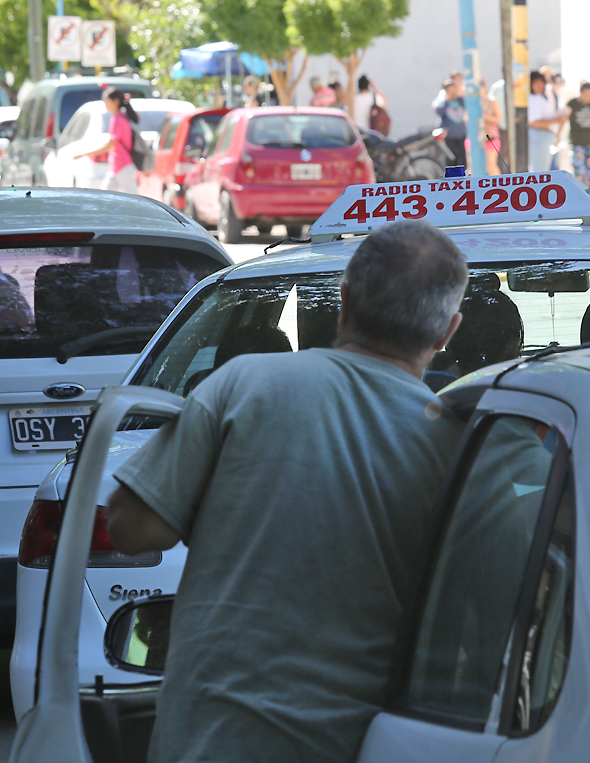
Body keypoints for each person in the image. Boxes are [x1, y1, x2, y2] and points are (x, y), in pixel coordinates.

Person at [105, 221, 468, 763]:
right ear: (447, 332)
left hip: (210, 739)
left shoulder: (241, 384)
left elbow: (131, 529)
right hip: (363, 743)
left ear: (344, 301)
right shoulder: (461, 445)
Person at [75, 87, 140, 195]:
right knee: (104, 197)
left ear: (116, 101)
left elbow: (109, 146)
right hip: (117, 166)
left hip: (123, 166)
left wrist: (83, 154)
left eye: (106, 100)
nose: (105, 103)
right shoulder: (118, 118)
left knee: (135, 198)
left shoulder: (119, 119)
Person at [566, 82, 590, 188]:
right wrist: (557, 135)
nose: (588, 97)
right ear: (580, 94)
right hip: (577, 143)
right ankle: (579, 198)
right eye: (585, 94)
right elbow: (563, 118)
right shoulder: (573, 103)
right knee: (579, 171)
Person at [528, 70, 562, 172]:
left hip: (545, 139)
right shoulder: (532, 99)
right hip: (538, 139)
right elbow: (534, 122)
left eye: (541, 82)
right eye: (536, 82)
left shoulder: (541, 97)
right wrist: (556, 120)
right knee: (539, 173)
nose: (540, 85)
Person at [434, 75, 468, 168]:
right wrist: (446, 100)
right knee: (450, 159)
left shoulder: (460, 100)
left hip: (461, 134)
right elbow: (438, 111)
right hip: (449, 136)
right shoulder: (442, 101)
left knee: (462, 158)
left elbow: (468, 107)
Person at [483, 77, 504, 175]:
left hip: (491, 137)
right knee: (472, 166)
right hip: (476, 138)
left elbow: (499, 119)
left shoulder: (491, 101)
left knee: (491, 166)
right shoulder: (471, 103)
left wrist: (485, 117)